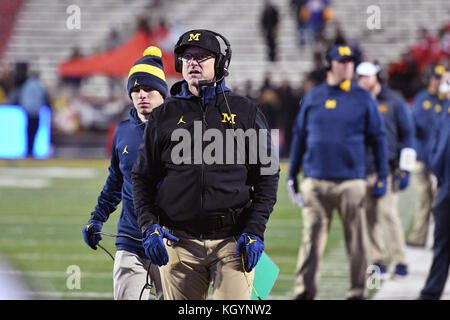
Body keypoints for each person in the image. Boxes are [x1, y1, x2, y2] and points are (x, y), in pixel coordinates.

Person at [131, 29, 279, 300]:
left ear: (221, 64)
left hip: (233, 243)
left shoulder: (246, 112)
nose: (192, 62)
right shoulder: (163, 116)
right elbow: (142, 177)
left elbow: (268, 176)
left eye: (202, 56)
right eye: (187, 57)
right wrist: (148, 225)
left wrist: (255, 230)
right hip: (178, 242)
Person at [287, 45, 389, 300]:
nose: (347, 65)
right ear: (329, 64)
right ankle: (304, 291)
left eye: (350, 61)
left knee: (356, 242)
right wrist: (292, 174)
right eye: (341, 61)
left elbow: (378, 138)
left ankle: (357, 292)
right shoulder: (313, 96)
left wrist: (383, 174)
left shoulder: (363, 97)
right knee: (311, 241)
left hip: (351, 181)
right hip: (315, 180)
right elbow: (300, 136)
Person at [82, 46, 168, 300]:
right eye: (136, 90)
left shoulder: (182, 130)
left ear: (162, 92)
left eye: (149, 89)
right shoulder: (122, 131)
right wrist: (97, 217)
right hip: (130, 237)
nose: (142, 95)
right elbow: (115, 181)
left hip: (171, 241)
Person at [356, 61, 416, 278]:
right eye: (360, 77)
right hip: (362, 170)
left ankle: (400, 261)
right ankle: (378, 260)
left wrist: (405, 168)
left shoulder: (394, 101)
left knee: (388, 214)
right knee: (368, 217)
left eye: (368, 76)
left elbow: (408, 135)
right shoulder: (356, 102)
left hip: (386, 169)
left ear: (377, 77)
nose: (364, 80)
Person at [408, 64, 447, 248]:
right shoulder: (423, 99)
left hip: (441, 161)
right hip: (424, 158)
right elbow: (420, 129)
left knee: (440, 204)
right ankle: (419, 237)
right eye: (437, 78)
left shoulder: (445, 101)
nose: (439, 82)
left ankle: (439, 239)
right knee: (424, 201)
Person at [419, 70, 450, 300]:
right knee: (441, 242)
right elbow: (439, 147)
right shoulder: (446, 112)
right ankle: (432, 292)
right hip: (446, 185)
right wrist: (437, 177)